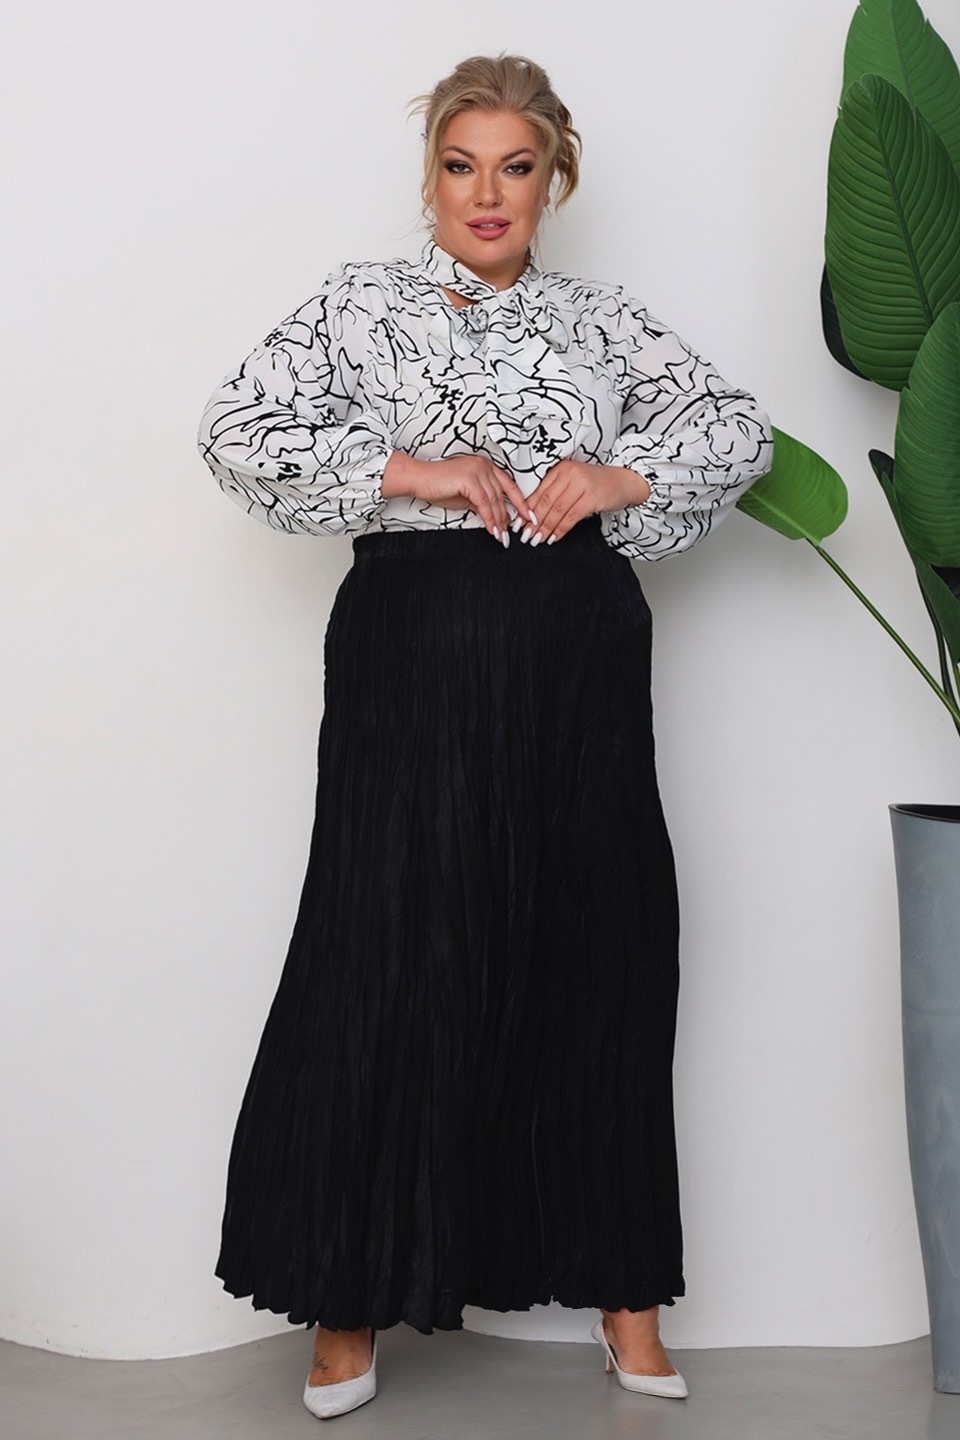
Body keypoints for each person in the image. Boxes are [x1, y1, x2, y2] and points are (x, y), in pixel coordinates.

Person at [197, 52, 773, 1421]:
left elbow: (740, 433)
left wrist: (618, 472)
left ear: (553, 178)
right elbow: (233, 430)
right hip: (412, 656)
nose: (487, 193)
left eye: (516, 166)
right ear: (431, 177)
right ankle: (347, 1299)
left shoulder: (603, 322)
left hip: (577, 664)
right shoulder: (360, 304)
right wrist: (420, 470)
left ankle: (625, 1298)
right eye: (461, 166)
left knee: (599, 947)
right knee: (387, 944)